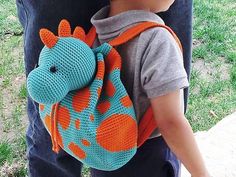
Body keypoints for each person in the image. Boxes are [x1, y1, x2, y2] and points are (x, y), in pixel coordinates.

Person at [16, 0, 209, 176]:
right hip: (146, 162)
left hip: (101, 151)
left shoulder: (91, 34)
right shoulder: (159, 41)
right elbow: (171, 122)